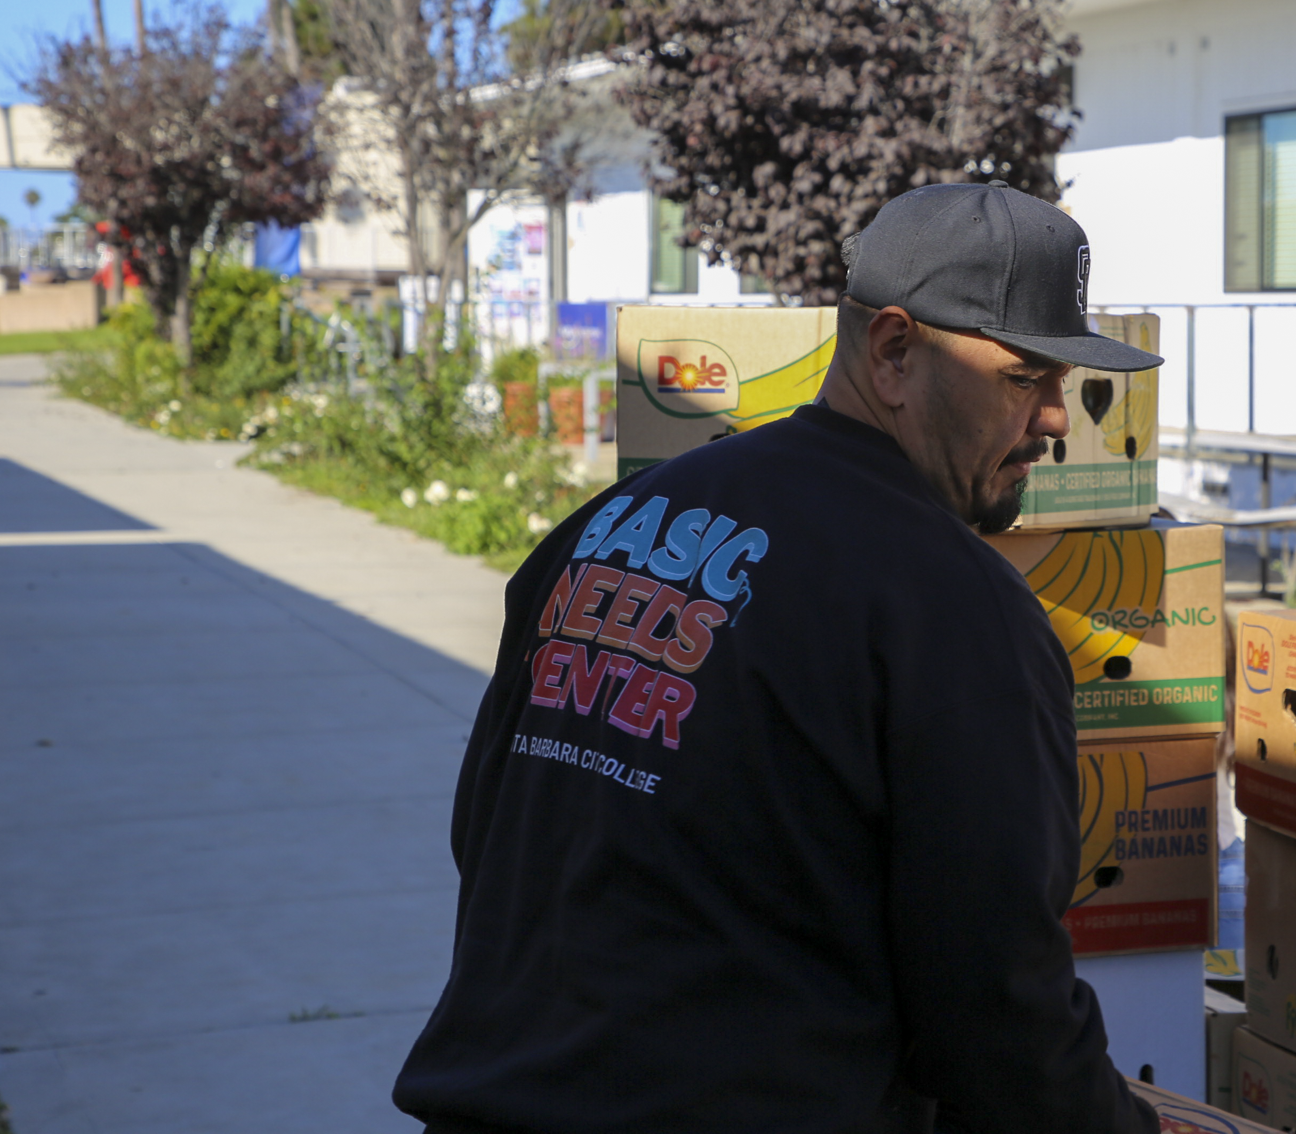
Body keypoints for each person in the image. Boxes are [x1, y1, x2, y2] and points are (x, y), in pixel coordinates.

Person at [392, 181, 1164, 1134]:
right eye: (1024, 376)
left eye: (1062, 381)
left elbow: (486, 834)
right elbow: (997, 1012)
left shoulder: (603, 529)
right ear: (894, 352)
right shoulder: (958, 610)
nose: (1056, 417)